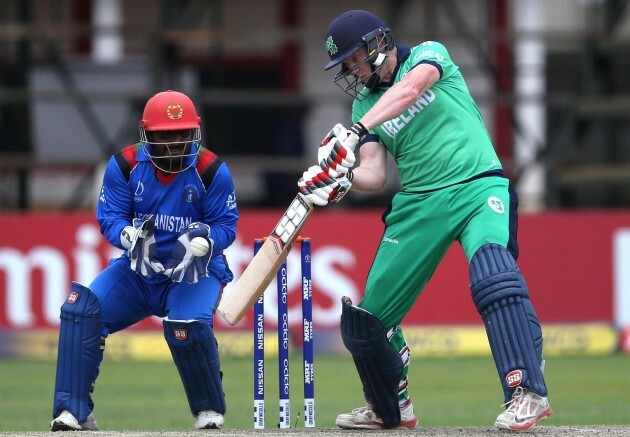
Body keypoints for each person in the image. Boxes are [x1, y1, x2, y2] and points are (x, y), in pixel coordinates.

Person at [298, 10, 552, 431]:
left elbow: (410, 90)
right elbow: (375, 174)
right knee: (366, 323)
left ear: (378, 43)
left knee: (494, 277)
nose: (351, 69)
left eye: (354, 58)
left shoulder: (427, 55)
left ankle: (527, 392)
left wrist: (357, 130)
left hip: (476, 185)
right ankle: (389, 407)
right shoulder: (364, 102)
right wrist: (338, 176)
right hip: (419, 203)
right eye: (344, 65)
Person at [50, 90, 239, 431]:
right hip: (140, 270)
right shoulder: (124, 165)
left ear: (194, 133)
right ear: (147, 134)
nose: (173, 144)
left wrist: (206, 240)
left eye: (182, 134)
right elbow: (110, 217)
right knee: (80, 311)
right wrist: (128, 236)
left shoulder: (211, 171)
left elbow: (226, 225)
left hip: (192, 271)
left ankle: (209, 410)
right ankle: (73, 411)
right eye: (165, 136)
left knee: (188, 326)